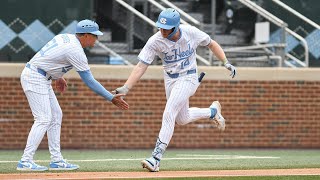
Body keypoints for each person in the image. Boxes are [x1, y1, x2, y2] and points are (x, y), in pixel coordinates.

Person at [114, 8, 236, 172]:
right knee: (182, 119)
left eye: (166, 28)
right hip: (170, 79)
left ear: (176, 27)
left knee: (169, 112)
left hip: (189, 77)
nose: (162, 30)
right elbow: (141, 66)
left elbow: (211, 43)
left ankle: (156, 158)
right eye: (160, 27)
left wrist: (225, 62)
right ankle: (212, 112)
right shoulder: (155, 41)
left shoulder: (190, 32)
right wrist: (126, 87)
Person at [17, 19, 129, 171]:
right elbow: (89, 80)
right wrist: (110, 97)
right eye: (94, 36)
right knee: (43, 119)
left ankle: (56, 160)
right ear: (85, 35)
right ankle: (25, 160)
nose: (96, 39)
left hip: (41, 75)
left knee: (56, 115)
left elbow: (49, 57)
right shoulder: (75, 50)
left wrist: (57, 76)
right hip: (35, 77)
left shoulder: (66, 37)